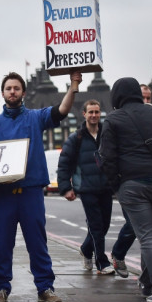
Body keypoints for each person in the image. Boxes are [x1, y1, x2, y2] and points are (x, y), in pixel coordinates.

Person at [0, 70, 81, 302]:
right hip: (4, 194)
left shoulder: (35, 117)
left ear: (23, 93)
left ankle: (45, 287)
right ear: (3, 93)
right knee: (2, 244)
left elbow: (62, 111)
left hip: (31, 191)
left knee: (37, 243)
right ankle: (0, 288)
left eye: (16, 88)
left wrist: (73, 86)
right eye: (9, 88)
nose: (12, 92)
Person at [100, 77, 152, 302]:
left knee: (147, 238)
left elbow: (107, 158)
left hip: (132, 186)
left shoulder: (113, 119)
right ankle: (146, 285)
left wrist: (118, 185)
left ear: (117, 95)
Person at [57, 100, 115, 275]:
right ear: (84, 114)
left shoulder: (107, 135)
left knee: (104, 225)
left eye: (97, 112)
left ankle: (86, 249)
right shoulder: (76, 138)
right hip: (87, 188)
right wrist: (66, 187)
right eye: (90, 112)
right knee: (96, 226)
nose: (94, 115)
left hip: (106, 187)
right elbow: (64, 164)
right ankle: (102, 263)